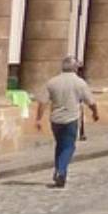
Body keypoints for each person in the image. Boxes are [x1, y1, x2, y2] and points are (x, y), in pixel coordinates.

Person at [33, 56, 97, 189]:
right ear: (75, 68)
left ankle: (58, 171)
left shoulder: (52, 82)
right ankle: (61, 171)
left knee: (60, 145)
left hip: (55, 119)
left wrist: (38, 119)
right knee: (69, 146)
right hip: (71, 118)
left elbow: (43, 102)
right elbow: (90, 101)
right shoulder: (79, 83)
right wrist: (95, 112)